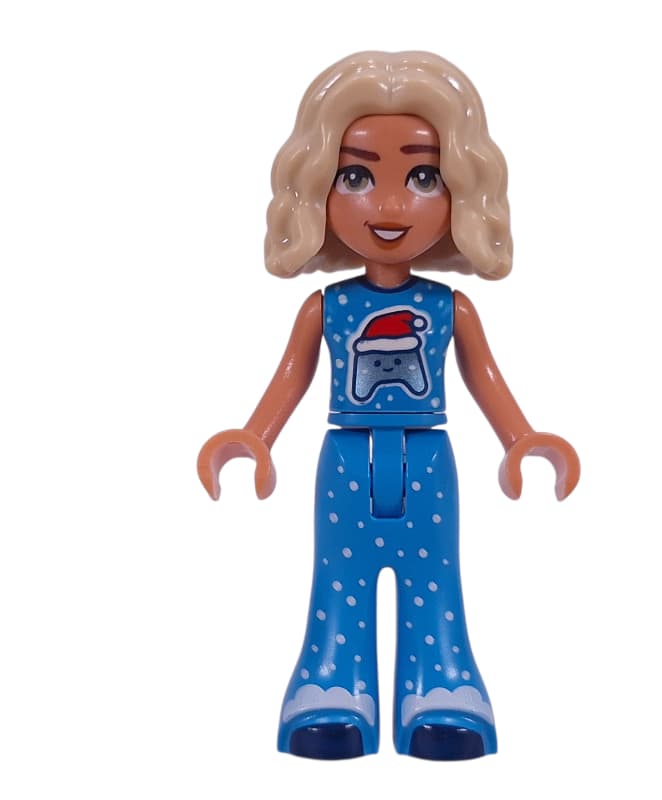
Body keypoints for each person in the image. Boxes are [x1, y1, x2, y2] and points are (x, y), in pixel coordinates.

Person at [198, 51, 580, 760]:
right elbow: (291, 377)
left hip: (429, 460)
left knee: (435, 582)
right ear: (317, 188)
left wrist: (521, 438)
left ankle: (441, 683)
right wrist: (254, 436)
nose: (392, 206)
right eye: (356, 176)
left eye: (424, 176)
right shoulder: (327, 307)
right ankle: (331, 682)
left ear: (463, 190)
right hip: (344, 461)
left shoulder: (449, 306)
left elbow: (484, 378)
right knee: (336, 582)